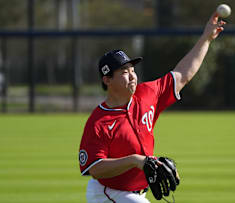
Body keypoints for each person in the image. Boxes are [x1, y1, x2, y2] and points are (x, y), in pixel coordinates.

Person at [78, 12, 226, 203]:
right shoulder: (99, 122)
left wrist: (206, 38)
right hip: (109, 193)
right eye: (124, 72)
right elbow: (94, 167)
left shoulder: (147, 94)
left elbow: (182, 74)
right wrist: (135, 160)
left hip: (135, 193)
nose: (132, 76)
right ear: (107, 80)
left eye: (132, 70)